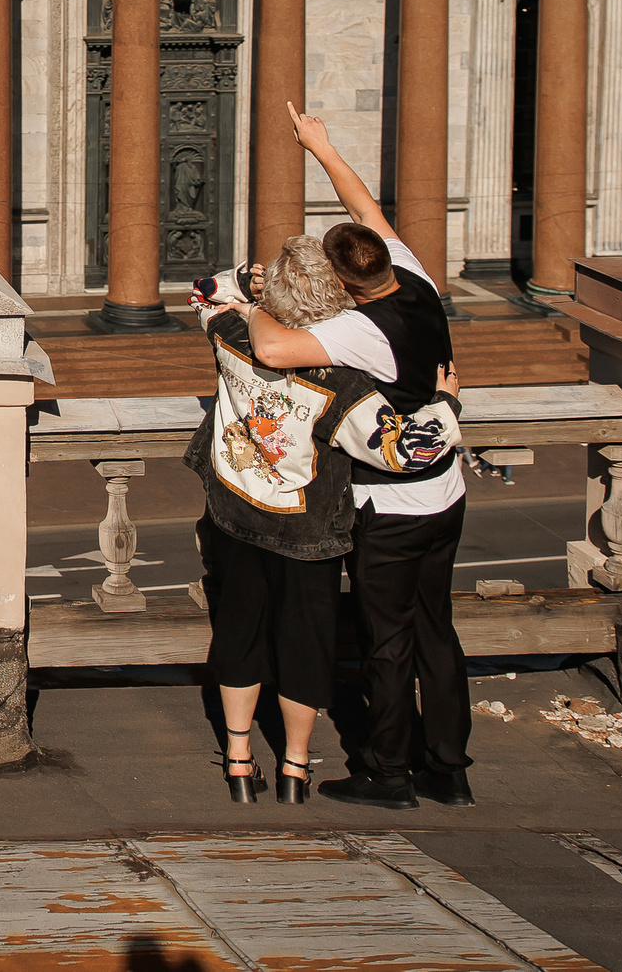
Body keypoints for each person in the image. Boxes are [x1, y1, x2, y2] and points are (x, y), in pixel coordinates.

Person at [240, 103, 471, 810]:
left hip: (393, 503)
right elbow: (364, 204)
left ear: (341, 282)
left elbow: (273, 349)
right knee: (437, 627)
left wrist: (250, 301)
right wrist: (323, 147)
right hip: (447, 492)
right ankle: (450, 769)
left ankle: (388, 773)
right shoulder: (415, 276)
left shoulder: (359, 330)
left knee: (387, 638)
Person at [188, 237, 381, 805]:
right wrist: (450, 404)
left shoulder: (230, 337)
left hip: (235, 512)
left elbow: (204, 290)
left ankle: (240, 762)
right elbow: (403, 450)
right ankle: (296, 769)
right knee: (305, 645)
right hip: (309, 531)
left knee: (238, 635)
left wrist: (253, 288)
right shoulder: (343, 380)